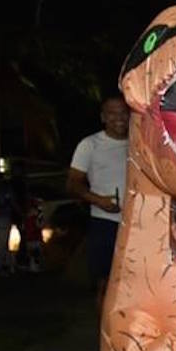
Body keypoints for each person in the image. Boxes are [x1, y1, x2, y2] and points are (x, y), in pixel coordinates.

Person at [68, 94, 130, 307]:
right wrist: (98, 200)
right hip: (105, 222)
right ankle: (105, 335)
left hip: (137, 225)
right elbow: (73, 183)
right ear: (103, 117)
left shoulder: (139, 143)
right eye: (112, 114)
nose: (119, 118)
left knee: (135, 283)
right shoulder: (90, 145)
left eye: (123, 112)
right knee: (105, 284)